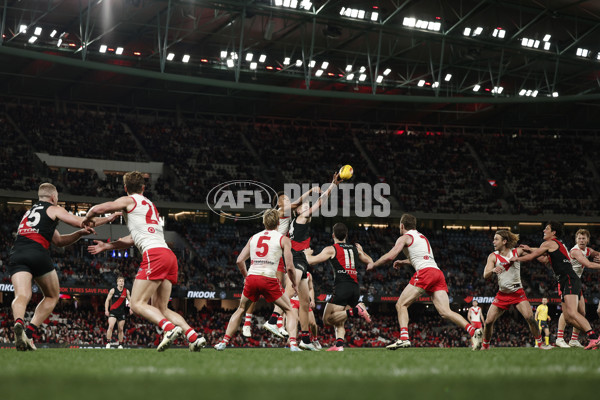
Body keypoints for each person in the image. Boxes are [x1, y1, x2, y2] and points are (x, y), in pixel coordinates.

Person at [85, 171, 206, 352]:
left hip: (154, 255)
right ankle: (193, 336)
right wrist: (107, 246)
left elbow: (97, 209)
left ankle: (169, 328)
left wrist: (87, 219)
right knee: (161, 308)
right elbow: (133, 238)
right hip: (169, 256)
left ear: (125, 188)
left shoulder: (129, 200)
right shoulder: (150, 205)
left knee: (136, 303)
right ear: (143, 187)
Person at [8, 183, 117, 351]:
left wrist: (79, 234)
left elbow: (58, 241)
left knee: (22, 294)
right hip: (37, 253)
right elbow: (82, 221)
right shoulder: (53, 208)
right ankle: (29, 334)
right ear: (53, 197)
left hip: (18, 253)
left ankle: (19, 323)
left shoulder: (28, 214)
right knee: (52, 296)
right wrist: (107, 219)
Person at [367, 214, 483, 350]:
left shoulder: (404, 237)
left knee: (401, 304)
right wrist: (404, 262)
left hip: (425, 273)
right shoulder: (422, 238)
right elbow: (421, 257)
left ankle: (404, 338)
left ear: (402, 225)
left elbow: (391, 255)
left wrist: (374, 264)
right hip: (437, 273)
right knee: (445, 311)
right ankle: (473, 331)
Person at [265, 173, 340, 351]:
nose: (307, 206)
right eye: (305, 206)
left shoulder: (296, 218)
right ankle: (273, 320)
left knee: (305, 303)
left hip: (301, 258)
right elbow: (320, 201)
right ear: (299, 211)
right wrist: (332, 186)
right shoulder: (301, 217)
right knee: (290, 289)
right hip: (298, 257)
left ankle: (305, 339)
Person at [214, 208, 299, 351]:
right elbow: (290, 267)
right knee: (289, 309)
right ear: (279, 222)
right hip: (268, 278)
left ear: (264, 222)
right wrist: (294, 285)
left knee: (241, 309)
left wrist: (246, 277)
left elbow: (239, 260)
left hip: (252, 277)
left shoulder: (253, 237)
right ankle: (293, 344)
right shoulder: (283, 239)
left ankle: (223, 342)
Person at [510, 221, 600, 350]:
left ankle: (593, 337)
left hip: (569, 279)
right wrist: (530, 249)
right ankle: (586, 336)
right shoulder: (558, 245)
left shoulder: (551, 243)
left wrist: (517, 258)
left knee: (574, 313)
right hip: (566, 280)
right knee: (569, 317)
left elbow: (535, 256)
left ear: (553, 232)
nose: (544, 231)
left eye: (546, 229)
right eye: (579, 238)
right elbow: (543, 256)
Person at [247, 187, 320, 338]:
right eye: (286, 199)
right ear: (280, 203)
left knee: (280, 288)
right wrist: (311, 191)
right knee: (264, 288)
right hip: (273, 250)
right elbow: (299, 202)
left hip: (278, 251)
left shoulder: (290, 218)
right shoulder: (282, 210)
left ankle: (278, 323)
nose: (289, 201)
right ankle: (251, 322)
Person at [305, 222, 372, 351]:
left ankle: (356, 310)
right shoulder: (355, 249)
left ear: (333, 235)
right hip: (355, 288)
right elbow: (370, 261)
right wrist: (362, 251)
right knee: (340, 317)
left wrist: (307, 253)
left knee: (327, 319)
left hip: (342, 287)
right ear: (346, 235)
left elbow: (311, 261)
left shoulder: (331, 249)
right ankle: (339, 345)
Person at [480, 230, 546, 350]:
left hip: (518, 293)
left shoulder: (517, 251)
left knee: (530, 318)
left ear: (504, 241)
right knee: (488, 322)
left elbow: (540, 251)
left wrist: (530, 249)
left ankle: (540, 344)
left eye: (496, 239)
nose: (493, 241)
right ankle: (485, 346)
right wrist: (492, 270)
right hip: (502, 294)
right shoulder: (493, 256)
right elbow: (485, 274)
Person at [555, 229, 600, 348]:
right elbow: (589, 264)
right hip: (566, 281)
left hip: (575, 282)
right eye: (579, 238)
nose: (581, 240)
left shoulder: (587, 250)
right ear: (576, 240)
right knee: (569, 311)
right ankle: (559, 338)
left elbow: (596, 253)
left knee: (582, 312)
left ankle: (573, 340)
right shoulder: (575, 251)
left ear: (588, 240)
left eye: (584, 238)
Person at [288, 272, 321, 349]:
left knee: (313, 323)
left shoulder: (308, 274)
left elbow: (310, 288)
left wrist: (312, 300)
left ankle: (315, 339)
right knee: (295, 320)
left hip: (304, 301)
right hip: (293, 300)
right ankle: (293, 343)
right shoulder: (291, 272)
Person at [104, 276, 132, 349]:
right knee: (110, 326)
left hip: (121, 313)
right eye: (120, 281)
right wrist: (106, 310)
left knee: (121, 329)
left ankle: (120, 344)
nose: (121, 282)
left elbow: (130, 301)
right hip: (113, 312)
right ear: (117, 282)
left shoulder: (126, 291)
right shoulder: (113, 290)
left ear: (124, 283)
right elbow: (107, 300)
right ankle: (108, 343)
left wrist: (131, 309)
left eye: (122, 281)